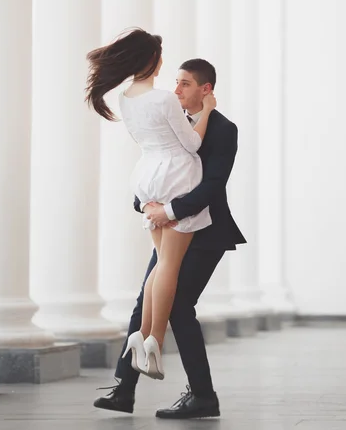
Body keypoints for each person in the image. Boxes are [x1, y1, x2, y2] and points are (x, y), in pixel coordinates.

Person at [94, 57, 246, 419]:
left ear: (205, 89)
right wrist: (145, 203)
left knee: (178, 307)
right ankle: (124, 390)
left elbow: (212, 185)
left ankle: (203, 397)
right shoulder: (166, 115)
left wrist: (170, 211)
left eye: (185, 84)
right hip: (167, 222)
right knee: (143, 299)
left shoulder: (224, 129)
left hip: (207, 231)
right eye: (175, 82)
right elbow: (156, 163)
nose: (175, 90)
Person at [85, 28, 216, 380]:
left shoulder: (127, 97)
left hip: (148, 176)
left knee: (160, 262)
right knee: (169, 265)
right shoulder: (163, 99)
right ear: (152, 60)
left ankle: (139, 335)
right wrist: (206, 111)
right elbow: (190, 145)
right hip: (176, 177)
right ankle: (154, 340)